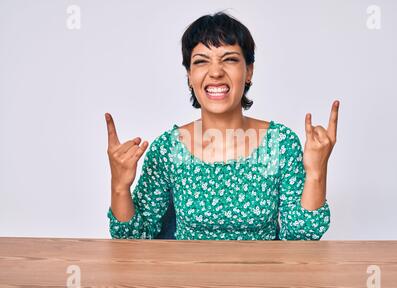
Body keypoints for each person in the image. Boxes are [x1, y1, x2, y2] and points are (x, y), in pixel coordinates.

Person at [105, 11, 339, 240]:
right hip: (188, 277)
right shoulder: (168, 148)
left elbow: (303, 237)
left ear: (249, 71)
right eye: (201, 62)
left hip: (263, 276)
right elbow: (133, 238)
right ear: (189, 75)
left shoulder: (280, 143)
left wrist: (316, 173)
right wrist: (119, 186)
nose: (215, 72)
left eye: (229, 59)